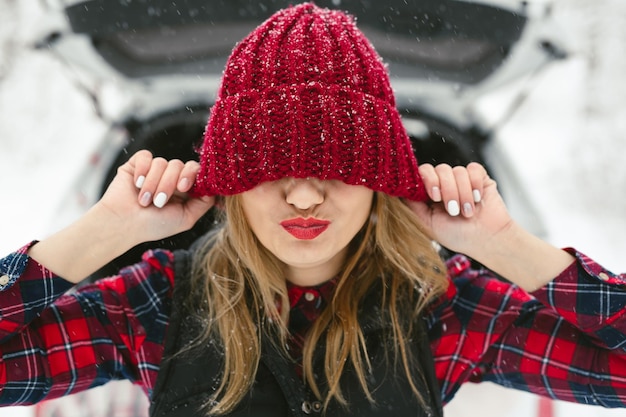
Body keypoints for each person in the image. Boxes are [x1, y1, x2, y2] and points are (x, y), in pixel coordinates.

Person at [1, 3, 625, 417]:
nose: (303, 196)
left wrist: (504, 246)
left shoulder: (442, 309)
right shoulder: (158, 304)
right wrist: (104, 231)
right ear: (233, 183)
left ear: (380, 181)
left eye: (340, 168)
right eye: (269, 169)